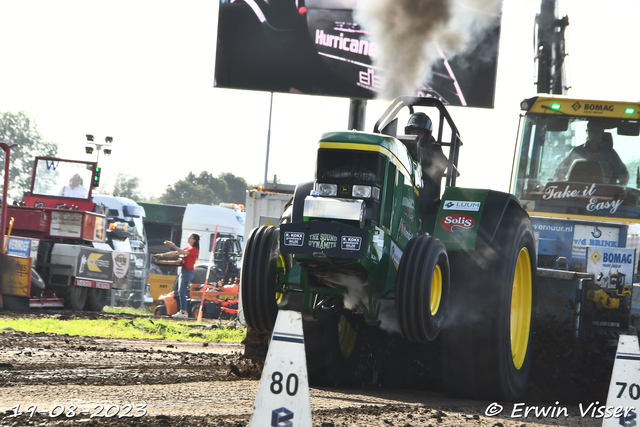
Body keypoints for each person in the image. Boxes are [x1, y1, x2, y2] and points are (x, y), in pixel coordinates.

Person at [554, 121, 629, 185]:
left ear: (602, 132)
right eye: (591, 131)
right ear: (586, 132)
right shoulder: (575, 152)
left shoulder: (610, 154)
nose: (593, 134)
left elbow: (623, 175)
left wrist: (618, 189)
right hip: (574, 194)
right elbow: (560, 171)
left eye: (596, 131)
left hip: (605, 197)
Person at [405, 112, 448, 212]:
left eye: (419, 133)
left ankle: (418, 220)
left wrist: (420, 154)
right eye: (413, 132)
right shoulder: (403, 147)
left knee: (424, 188)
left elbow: (441, 162)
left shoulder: (435, 148)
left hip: (426, 184)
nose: (415, 136)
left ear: (426, 134)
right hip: (407, 179)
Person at [163, 233, 200, 318]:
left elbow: (182, 252)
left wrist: (174, 245)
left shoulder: (194, 249)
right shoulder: (189, 248)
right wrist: (163, 255)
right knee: (181, 292)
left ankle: (184, 312)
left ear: (194, 240)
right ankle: (182, 312)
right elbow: (176, 253)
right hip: (184, 271)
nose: (188, 238)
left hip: (188, 272)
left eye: (190, 237)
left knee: (182, 292)